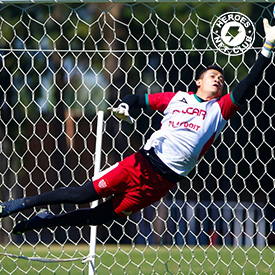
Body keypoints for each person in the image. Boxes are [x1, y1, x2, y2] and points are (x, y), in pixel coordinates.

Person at [1, 18, 274, 235]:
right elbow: (135, 99)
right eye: (212, 76)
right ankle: (17, 205)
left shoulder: (220, 109)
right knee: (82, 193)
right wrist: (125, 107)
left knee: (98, 218)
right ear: (198, 83)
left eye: (221, 79)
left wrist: (267, 48)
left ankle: (45, 221)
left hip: (160, 183)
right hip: (141, 163)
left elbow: (249, 82)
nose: (218, 80)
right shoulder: (176, 98)